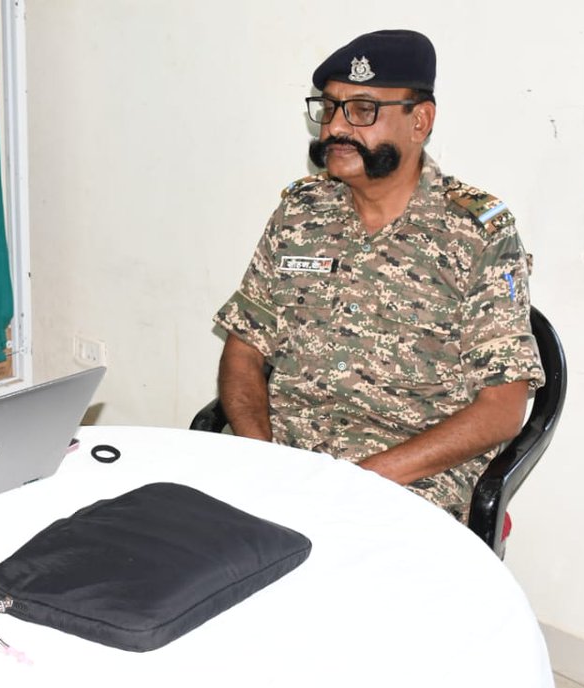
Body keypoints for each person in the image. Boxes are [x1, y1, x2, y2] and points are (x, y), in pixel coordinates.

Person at [213, 30, 544, 523]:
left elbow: (501, 409)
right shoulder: (301, 213)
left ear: (421, 120)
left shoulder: (475, 232)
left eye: (362, 110)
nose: (335, 129)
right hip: (285, 456)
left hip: (408, 476)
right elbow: (244, 350)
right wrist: (264, 456)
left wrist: (353, 480)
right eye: (329, 108)